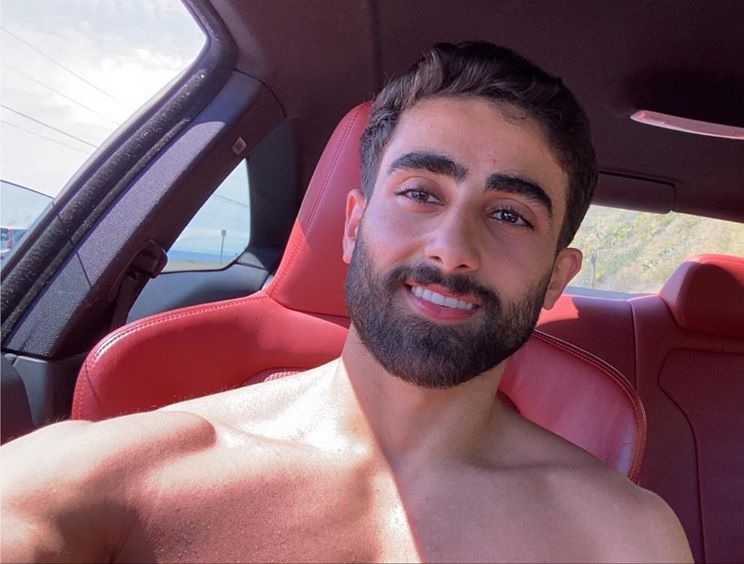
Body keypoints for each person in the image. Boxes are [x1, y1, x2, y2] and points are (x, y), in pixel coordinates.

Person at [0, 42, 693, 562]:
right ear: (354, 225)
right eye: (420, 193)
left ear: (556, 279)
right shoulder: (126, 475)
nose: (452, 250)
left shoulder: (626, 538)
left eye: (510, 214)